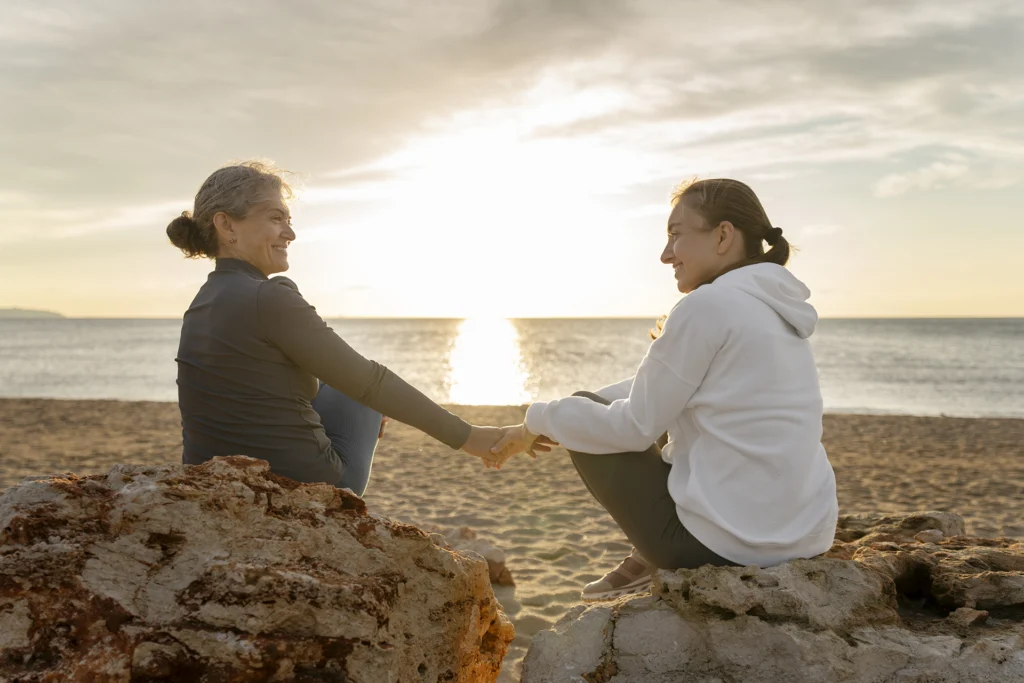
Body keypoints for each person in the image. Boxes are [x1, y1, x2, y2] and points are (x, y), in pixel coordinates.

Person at [492, 178, 838, 601]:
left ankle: (652, 554)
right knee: (591, 408)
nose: (665, 254)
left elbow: (633, 427)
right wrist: (550, 418)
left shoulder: (706, 306)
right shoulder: (774, 308)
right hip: (806, 536)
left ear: (723, 235)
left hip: (724, 546)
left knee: (587, 416)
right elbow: (664, 390)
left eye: (676, 235)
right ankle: (643, 554)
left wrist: (540, 415)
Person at [166, 161, 515, 494]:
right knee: (360, 393)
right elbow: (369, 382)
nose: (290, 233)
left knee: (340, 387)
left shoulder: (202, 302)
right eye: (276, 218)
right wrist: (469, 436)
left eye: (288, 220)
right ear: (227, 226)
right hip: (296, 486)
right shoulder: (269, 297)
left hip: (211, 480)